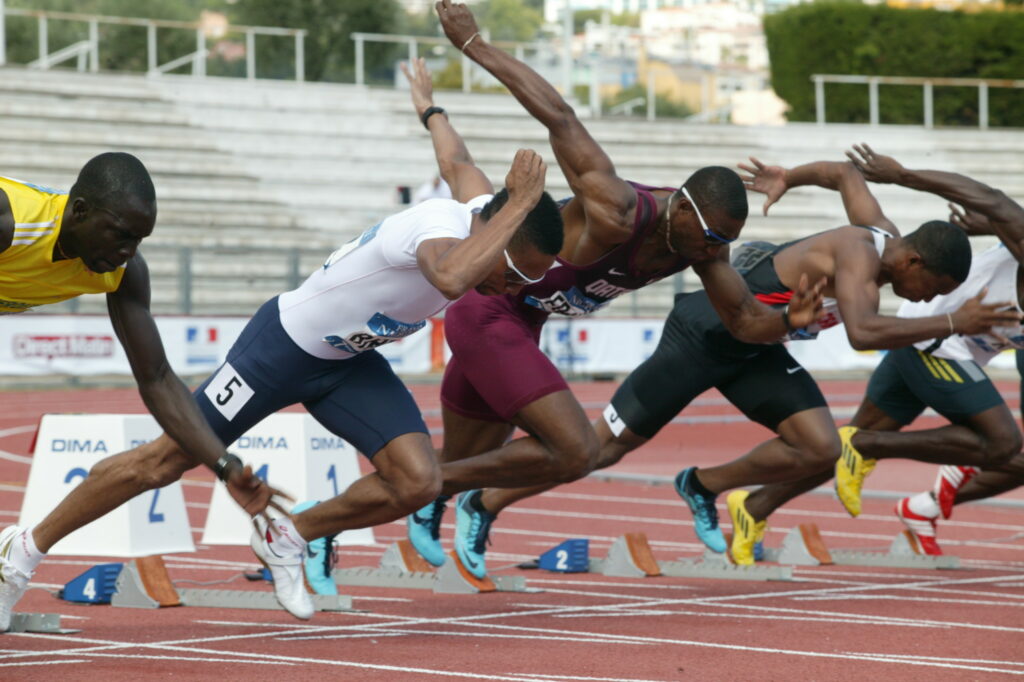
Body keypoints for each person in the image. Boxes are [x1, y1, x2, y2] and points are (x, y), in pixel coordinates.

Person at [0, 83, 564, 623]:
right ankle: (22, 550)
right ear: (499, 234)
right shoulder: (437, 226)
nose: (515, 289)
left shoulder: (480, 208)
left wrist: (430, 110)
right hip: (282, 348)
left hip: (350, 362)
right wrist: (520, 202)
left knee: (419, 482)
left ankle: (289, 535)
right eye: (516, 274)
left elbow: (457, 161)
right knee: (164, 461)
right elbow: (448, 277)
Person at [408, 0, 826, 579]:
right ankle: (424, 490)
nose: (713, 251)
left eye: (725, 243)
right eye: (710, 237)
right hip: (487, 310)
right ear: (682, 207)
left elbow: (742, 320)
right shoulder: (615, 209)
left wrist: (788, 322)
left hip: (524, 323)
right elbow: (559, 117)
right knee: (574, 448)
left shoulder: (703, 248)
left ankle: (378, 508)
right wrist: (473, 45)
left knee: (465, 457)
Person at [465, 155, 1019, 566]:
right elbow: (863, 333)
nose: (925, 299)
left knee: (821, 447)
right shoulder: (862, 257)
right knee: (602, 449)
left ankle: (702, 485)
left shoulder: (884, 236)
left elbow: (846, 175)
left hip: (758, 347)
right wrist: (954, 322)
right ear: (915, 261)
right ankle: (485, 502)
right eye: (933, 289)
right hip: (705, 334)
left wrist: (788, 177)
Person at [0, 154, 282, 631]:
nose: (128, 251)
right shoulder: (12, 223)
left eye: (139, 240)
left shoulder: (122, 271)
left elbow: (157, 378)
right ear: (80, 211)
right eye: (121, 234)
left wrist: (222, 464)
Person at [718, 145, 1024, 561]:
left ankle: (753, 508)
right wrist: (902, 175)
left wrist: (988, 227)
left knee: (836, 451)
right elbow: (993, 199)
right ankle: (865, 444)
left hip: (921, 336)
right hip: (935, 337)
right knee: (1002, 443)